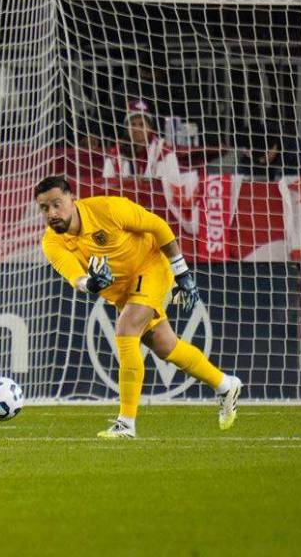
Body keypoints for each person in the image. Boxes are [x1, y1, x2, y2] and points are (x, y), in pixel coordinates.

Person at [35, 175, 243, 438]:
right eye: (44, 208)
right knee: (166, 346)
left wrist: (182, 274)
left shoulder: (108, 209)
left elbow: (159, 227)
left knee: (126, 329)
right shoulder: (51, 242)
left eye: (57, 204)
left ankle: (126, 423)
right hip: (123, 293)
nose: (52, 213)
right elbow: (76, 278)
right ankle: (225, 384)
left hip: (151, 265)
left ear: (72, 199)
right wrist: (93, 284)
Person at [103, 99, 178, 179]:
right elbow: (107, 185)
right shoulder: (115, 154)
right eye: (133, 124)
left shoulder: (164, 152)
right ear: (127, 129)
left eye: (142, 125)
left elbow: (172, 184)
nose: (137, 129)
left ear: (150, 128)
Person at [237, 122, 301, 181]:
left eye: (265, 155)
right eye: (257, 158)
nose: (262, 160)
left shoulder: (295, 149)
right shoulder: (247, 151)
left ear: (274, 146)